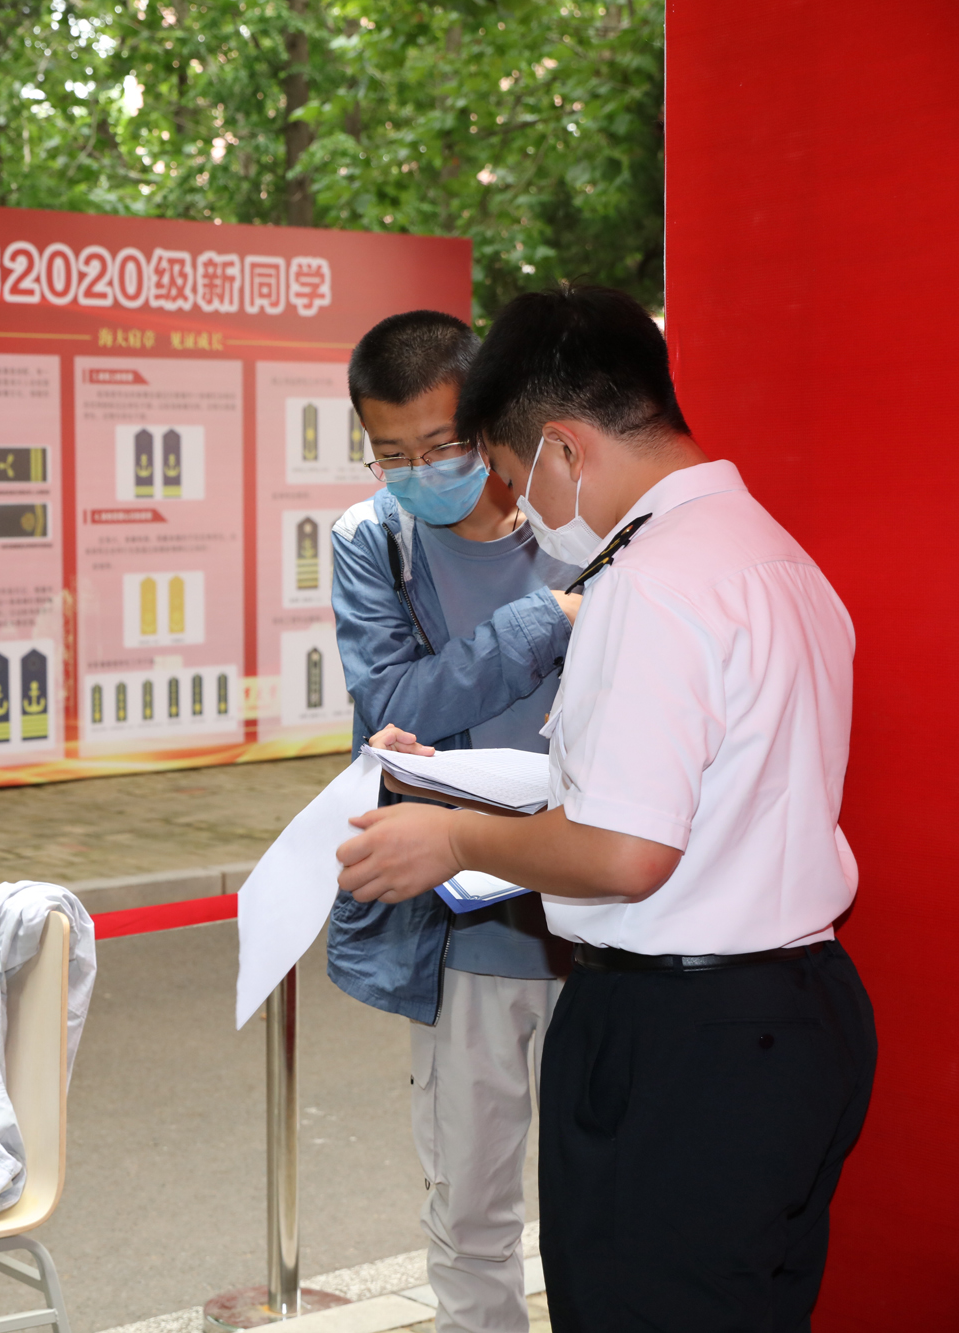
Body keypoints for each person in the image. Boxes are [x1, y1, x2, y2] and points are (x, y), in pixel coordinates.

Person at [338, 286, 876, 1332]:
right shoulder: (770, 551)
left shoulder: (649, 582)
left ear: (563, 448)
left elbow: (628, 850)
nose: (519, 505)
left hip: (683, 1040)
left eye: (511, 472)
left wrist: (449, 834)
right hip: (797, 1012)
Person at [329, 311, 578, 1333]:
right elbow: (393, 703)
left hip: (595, 913)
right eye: (390, 454)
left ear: (486, 419)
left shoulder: (574, 521)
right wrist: (545, 622)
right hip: (464, 931)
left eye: (439, 445)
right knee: (470, 1214)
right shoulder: (373, 541)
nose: (418, 472)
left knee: (598, 1199)